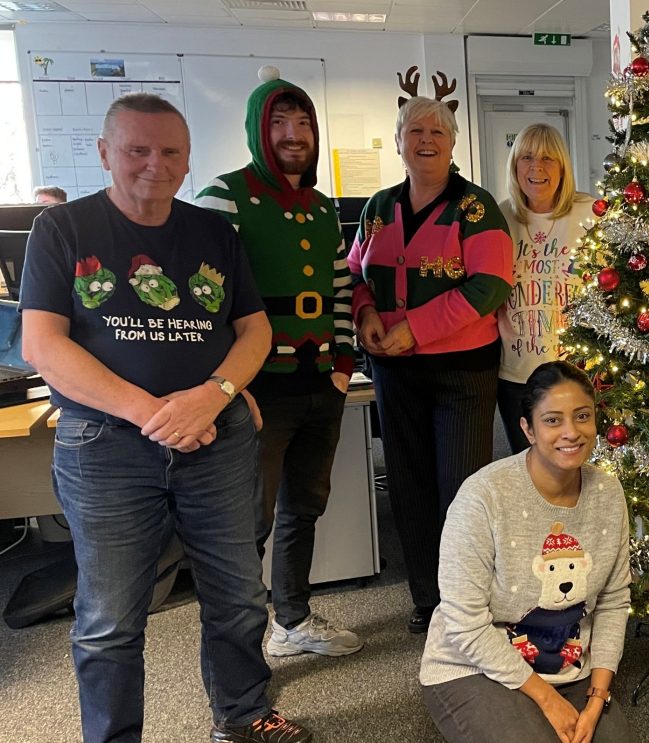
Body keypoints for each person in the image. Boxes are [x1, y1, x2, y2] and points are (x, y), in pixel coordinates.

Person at [19, 93, 311, 742]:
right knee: (111, 616)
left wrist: (215, 393)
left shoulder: (214, 233)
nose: (155, 163)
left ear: (187, 159)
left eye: (170, 151)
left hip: (217, 438)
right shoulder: (63, 229)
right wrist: (154, 413)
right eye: (137, 150)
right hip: (108, 445)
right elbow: (42, 345)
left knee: (237, 595)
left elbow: (255, 330)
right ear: (105, 154)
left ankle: (243, 714)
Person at [196, 75, 361, 658]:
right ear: (257, 131)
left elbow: (341, 291)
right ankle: (239, 652)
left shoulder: (321, 208)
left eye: (303, 123)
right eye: (279, 123)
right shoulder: (224, 197)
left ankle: (291, 621)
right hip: (256, 393)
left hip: (321, 385)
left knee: (303, 510)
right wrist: (229, 385)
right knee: (248, 523)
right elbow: (204, 302)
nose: (294, 135)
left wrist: (343, 365)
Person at [348, 95, 513, 633]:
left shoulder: (476, 208)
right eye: (414, 131)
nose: (425, 141)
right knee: (409, 486)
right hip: (394, 371)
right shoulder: (378, 207)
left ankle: (468, 603)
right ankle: (428, 598)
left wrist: (414, 328)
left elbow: (491, 285)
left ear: (452, 143)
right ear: (398, 142)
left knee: (461, 490)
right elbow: (354, 272)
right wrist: (365, 312)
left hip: (461, 372)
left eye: (437, 132)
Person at [419, 361, 636, 743]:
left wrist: (598, 695)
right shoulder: (482, 496)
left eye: (582, 416)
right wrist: (547, 700)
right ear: (528, 429)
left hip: (566, 665)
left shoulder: (607, 492)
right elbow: (465, 622)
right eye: (553, 420)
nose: (571, 432)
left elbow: (613, 601)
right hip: (472, 665)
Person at [496, 122, 595, 454]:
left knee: (577, 460)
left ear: (563, 166)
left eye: (547, 158)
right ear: (514, 166)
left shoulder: (589, 213)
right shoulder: (499, 217)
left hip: (577, 371)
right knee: (526, 464)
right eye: (526, 157)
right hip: (517, 373)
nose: (536, 167)